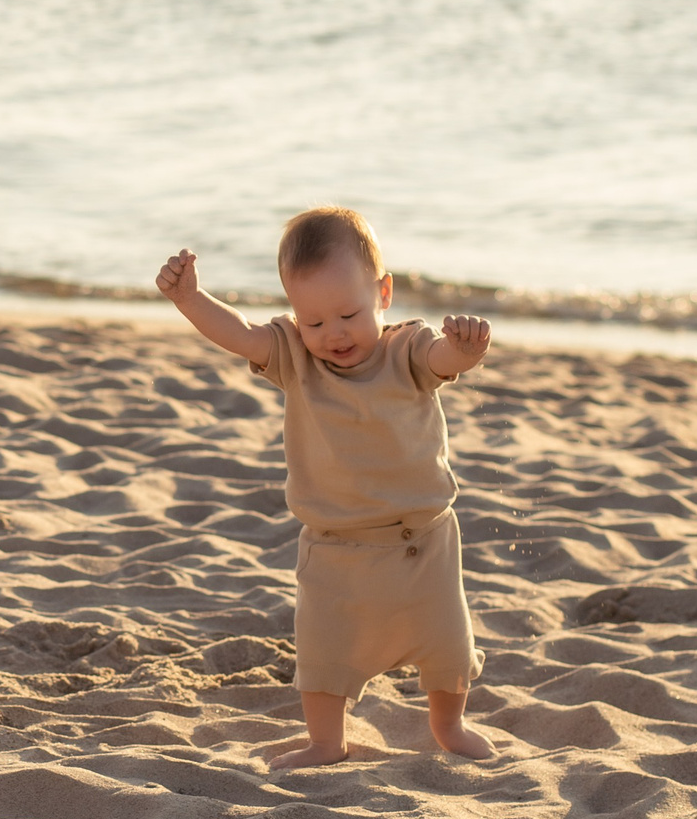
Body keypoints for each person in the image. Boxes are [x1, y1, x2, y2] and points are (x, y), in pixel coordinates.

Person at [155, 206, 494, 773]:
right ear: (293, 313)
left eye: (347, 314)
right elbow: (237, 333)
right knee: (323, 652)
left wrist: (467, 348)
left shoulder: (406, 350)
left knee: (446, 641)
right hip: (334, 547)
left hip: (422, 542)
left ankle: (449, 725)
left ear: (383, 293)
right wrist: (190, 298)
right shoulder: (292, 356)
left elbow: (445, 358)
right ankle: (326, 741)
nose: (332, 334)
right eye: (312, 321)